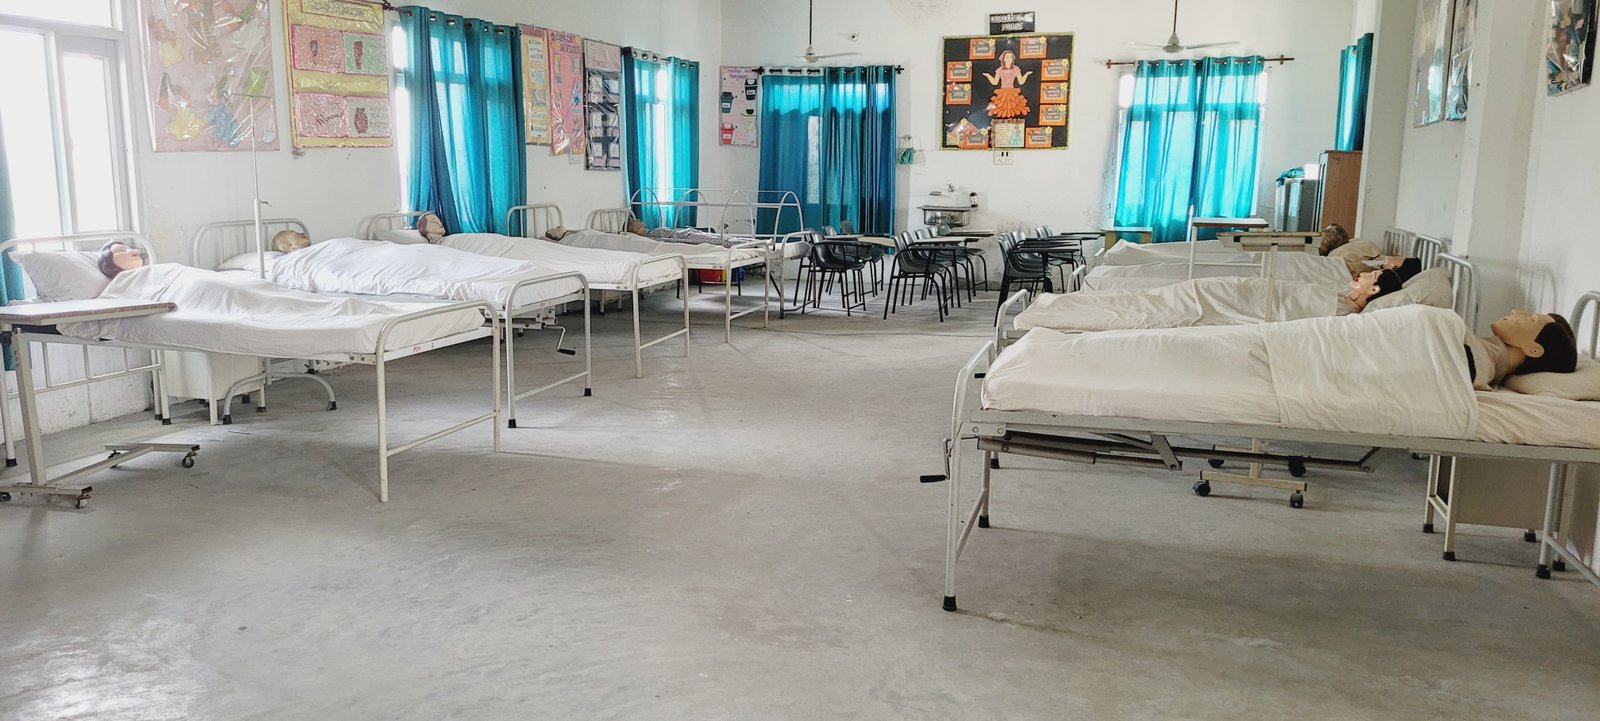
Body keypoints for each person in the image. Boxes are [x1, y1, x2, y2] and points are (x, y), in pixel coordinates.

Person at [1464, 310, 1579, 389]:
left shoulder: (1478, 363)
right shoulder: (1478, 351)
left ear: (1534, 350)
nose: (1515, 311)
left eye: (1531, 318)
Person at [982, 50, 1032, 119]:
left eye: (1011, 57)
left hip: (1012, 92)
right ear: (1004, 59)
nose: (1009, 59)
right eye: (1007, 57)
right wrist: (988, 75)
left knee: (1014, 106)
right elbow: (995, 82)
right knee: (1001, 106)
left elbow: (1021, 81)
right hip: (1002, 92)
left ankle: (1012, 120)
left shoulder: (1016, 69)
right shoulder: (1000, 70)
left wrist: (1026, 74)